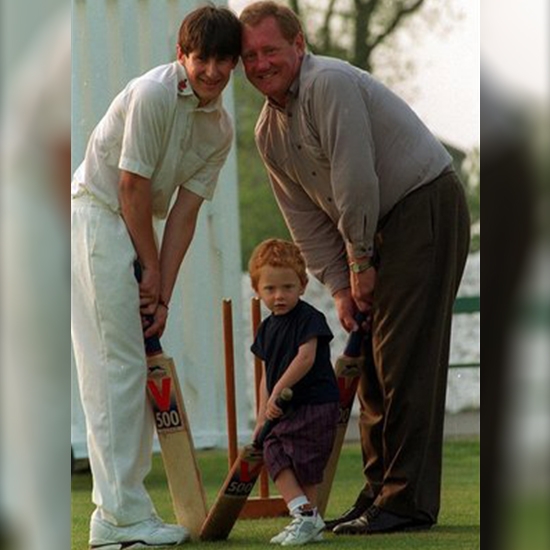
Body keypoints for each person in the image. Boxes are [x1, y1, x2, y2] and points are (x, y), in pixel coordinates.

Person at [240, 1, 471, 536]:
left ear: (298, 45)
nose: (260, 63)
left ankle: (406, 501)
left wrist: (361, 258)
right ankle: (379, 493)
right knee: (369, 364)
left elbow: (354, 181)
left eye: (271, 49)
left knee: (401, 358)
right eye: (250, 55)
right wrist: (340, 286)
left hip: (422, 204)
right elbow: (303, 218)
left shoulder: (329, 84)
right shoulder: (267, 131)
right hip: (371, 227)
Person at [71, 5, 241, 548]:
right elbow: (130, 188)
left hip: (130, 227)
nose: (211, 71)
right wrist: (147, 267)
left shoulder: (219, 130)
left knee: (132, 370)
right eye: (201, 59)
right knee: (116, 368)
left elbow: (186, 214)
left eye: (222, 61)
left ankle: (121, 514)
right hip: (97, 214)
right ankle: (118, 520)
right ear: (181, 55)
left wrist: (162, 289)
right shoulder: (153, 94)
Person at [249, 238, 339, 546]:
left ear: (302, 285)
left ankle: (307, 519)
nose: (279, 296)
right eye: (270, 289)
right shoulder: (265, 329)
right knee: (272, 451)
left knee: (305, 463)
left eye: (288, 287)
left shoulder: (310, 318)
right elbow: (265, 374)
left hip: (314, 404)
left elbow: (306, 358)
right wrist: (262, 414)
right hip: (283, 407)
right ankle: (305, 515)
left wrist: (278, 391)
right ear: (257, 291)